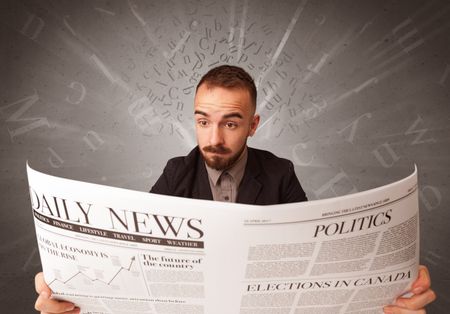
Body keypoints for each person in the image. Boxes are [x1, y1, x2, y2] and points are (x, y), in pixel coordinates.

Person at [34, 65, 436, 313]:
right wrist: (78, 296)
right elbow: (136, 260)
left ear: (253, 125)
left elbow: (313, 260)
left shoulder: (279, 173)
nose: (214, 137)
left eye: (230, 122)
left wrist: (387, 293)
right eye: (203, 121)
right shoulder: (176, 173)